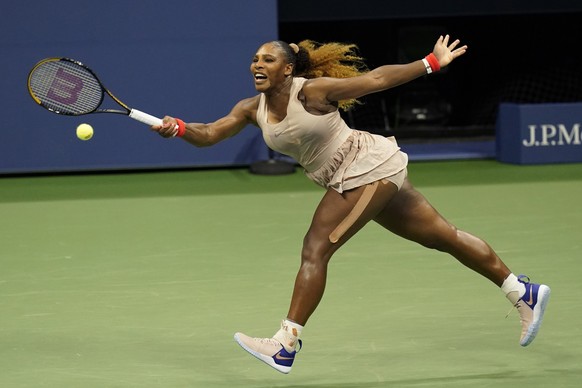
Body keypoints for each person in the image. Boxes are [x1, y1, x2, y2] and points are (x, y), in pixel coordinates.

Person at [151, 35, 551, 374]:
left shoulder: (311, 91)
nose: (258, 64)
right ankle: (521, 291)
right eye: (255, 59)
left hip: (364, 169)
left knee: (315, 248)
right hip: (363, 174)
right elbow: (208, 134)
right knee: (442, 237)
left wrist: (431, 62)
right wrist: (179, 128)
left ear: (287, 70)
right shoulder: (249, 109)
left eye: (268, 59)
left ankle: (285, 343)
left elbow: (375, 79)